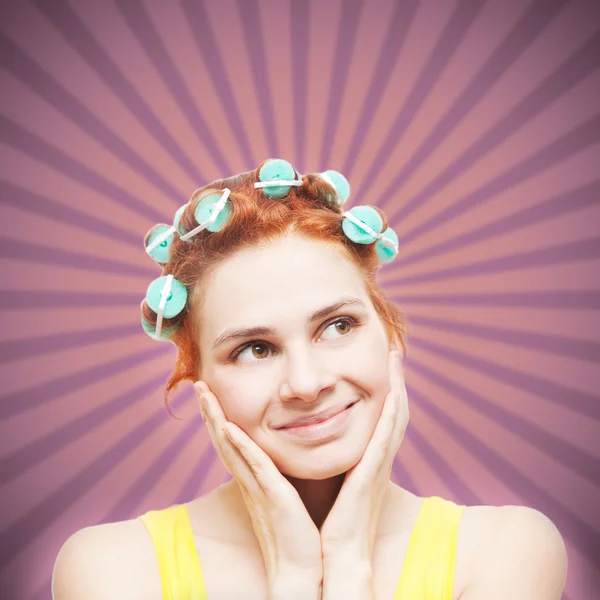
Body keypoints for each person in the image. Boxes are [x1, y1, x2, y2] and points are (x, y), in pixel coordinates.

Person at [52, 159, 568, 599]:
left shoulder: (505, 552)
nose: (306, 382)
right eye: (256, 349)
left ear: (388, 332)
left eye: (337, 326)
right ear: (198, 379)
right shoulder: (115, 571)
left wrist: (348, 564)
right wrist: (297, 575)